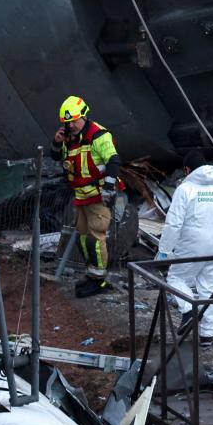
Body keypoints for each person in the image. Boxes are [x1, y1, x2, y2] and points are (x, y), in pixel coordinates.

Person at [156, 150, 213, 348]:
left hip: (192, 245)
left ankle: (188, 309)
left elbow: (174, 223)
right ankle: (206, 335)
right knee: (209, 287)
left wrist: (165, 250)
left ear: (187, 170)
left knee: (176, 278)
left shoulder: (185, 189)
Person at [52, 95, 124, 298]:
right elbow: (58, 157)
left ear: (84, 116)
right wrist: (56, 143)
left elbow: (114, 161)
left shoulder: (99, 136)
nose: (71, 125)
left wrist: (109, 188)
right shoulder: (69, 137)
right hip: (81, 195)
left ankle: (99, 279)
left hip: (98, 197)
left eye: (74, 120)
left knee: (95, 238)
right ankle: (92, 274)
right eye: (67, 122)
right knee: (83, 238)